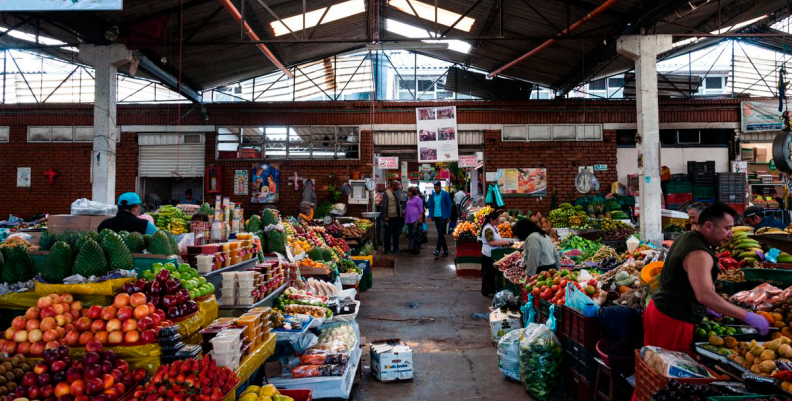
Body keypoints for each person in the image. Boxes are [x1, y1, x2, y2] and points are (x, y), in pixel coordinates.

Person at [646, 202, 769, 356]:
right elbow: (705, 295)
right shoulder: (699, 253)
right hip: (673, 318)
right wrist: (746, 315)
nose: (731, 234)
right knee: (669, 371)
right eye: (727, 228)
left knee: (655, 364)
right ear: (709, 226)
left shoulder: (685, 237)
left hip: (658, 309)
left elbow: (684, 280)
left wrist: (703, 308)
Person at [480, 211, 511, 296]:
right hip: (488, 254)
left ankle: (491, 290)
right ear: (491, 219)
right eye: (496, 220)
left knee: (492, 273)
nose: (497, 222)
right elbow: (491, 242)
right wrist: (503, 242)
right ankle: (486, 291)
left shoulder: (493, 227)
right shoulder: (488, 229)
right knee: (488, 273)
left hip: (493, 253)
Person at [427, 181, 452, 259]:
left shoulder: (445, 194)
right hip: (436, 216)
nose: (435, 189)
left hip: (443, 217)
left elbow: (449, 205)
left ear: (440, 187)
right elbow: (431, 206)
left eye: (437, 187)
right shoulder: (433, 195)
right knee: (440, 233)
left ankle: (437, 250)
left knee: (440, 233)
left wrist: (448, 216)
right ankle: (446, 250)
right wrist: (430, 215)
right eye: (434, 188)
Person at [381, 180, 403, 254]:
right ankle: (387, 250)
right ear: (393, 186)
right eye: (397, 186)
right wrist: (385, 216)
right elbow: (384, 206)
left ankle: (396, 248)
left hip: (396, 216)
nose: (398, 187)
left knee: (396, 234)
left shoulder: (394, 193)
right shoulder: (386, 194)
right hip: (390, 217)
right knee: (388, 234)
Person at [404, 187, 425, 254]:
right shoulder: (409, 199)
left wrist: (420, 218)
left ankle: (415, 248)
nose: (407, 192)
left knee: (415, 234)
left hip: (415, 219)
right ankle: (411, 247)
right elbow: (407, 208)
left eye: (408, 191)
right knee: (410, 234)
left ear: (412, 192)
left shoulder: (418, 199)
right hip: (409, 219)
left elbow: (421, 210)